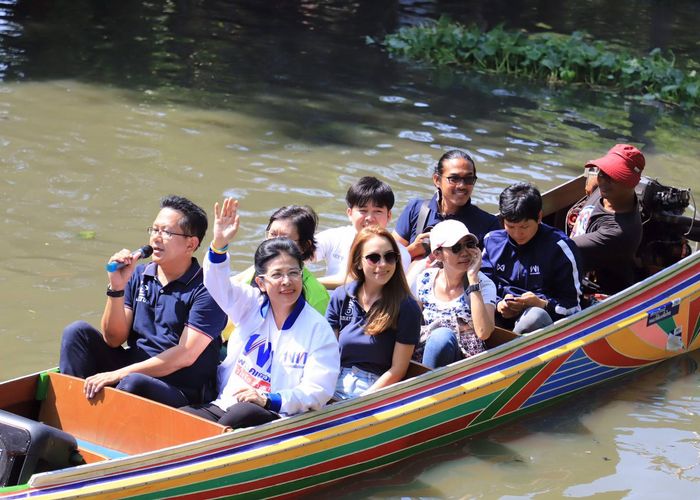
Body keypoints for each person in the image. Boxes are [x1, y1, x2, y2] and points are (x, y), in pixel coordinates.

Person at [181, 198, 339, 429]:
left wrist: (269, 399)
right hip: (227, 404)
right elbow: (217, 285)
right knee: (183, 417)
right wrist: (219, 243)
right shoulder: (251, 303)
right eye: (277, 275)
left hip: (277, 415)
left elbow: (318, 390)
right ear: (261, 282)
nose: (287, 281)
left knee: (241, 414)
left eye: (293, 273)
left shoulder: (317, 328)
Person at [59, 195, 228, 407]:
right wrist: (117, 288)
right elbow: (113, 339)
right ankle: (72, 410)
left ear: (191, 244)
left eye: (166, 232)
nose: (156, 238)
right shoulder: (139, 275)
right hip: (133, 371)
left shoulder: (208, 289)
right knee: (77, 333)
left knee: (133, 383)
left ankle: (98, 426)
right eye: (154, 230)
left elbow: (184, 356)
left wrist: (118, 374)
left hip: (179, 389)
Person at [325, 226, 421, 400]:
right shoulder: (341, 296)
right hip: (333, 378)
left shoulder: (407, 306)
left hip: (371, 387)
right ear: (357, 262)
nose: (382, 264)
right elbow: (326, 353)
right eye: (373, 258)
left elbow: (397, 370)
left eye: (390, 257)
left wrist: (361, 402)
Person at [481, 183, 583, 334]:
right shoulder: (491, 241)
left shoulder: (560, 248)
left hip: (539, 320)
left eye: (524, 227)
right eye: (511, 226)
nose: (517, 234)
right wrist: (497, 304)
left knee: (535, 317)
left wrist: (542, 304)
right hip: (499, 314)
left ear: (539, 217)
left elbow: (574, 308)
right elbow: (482, 285)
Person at [410, 219, 497, 369]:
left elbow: (484, 332)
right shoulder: (425, 279)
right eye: (456, 248)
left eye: (469, 245)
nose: (465, 253)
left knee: (441, 336)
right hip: (427, 357)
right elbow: (412, 326)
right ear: (438, 254)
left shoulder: (484, 284)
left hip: (465, 364)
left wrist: (473, 279)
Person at [393, 149, 500, 261]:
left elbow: (490, 273)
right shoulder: (416, 209)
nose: (462, 185)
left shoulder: (489, 225)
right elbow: (386, 260)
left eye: (469, 179)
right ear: (437, 180)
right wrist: (413, 250)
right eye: (454, 178)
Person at [568, 144, 645, 295]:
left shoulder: (619, 232)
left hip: (598, 293)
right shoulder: (608, 190)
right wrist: (595, 178)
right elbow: (599, 179)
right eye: (602, 172)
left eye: (613, 176)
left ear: (632, 183)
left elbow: (561, 249)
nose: (603, 180)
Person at [231, 205, 329, 315]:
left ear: (305, 246)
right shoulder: (257, 271)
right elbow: (225, 288)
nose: (274, 243)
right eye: (272, 234)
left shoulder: (317, 296)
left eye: (284, 238)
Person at [314, 176, 411, 288]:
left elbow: (357, 281)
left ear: (389, 216)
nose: (369, 218)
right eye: (363, 211)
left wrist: (308, 284)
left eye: (378, 211)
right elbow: (299, 255)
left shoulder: (399, 253)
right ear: (350, 213)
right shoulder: (333, 237)